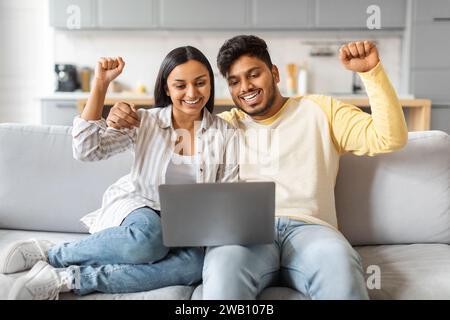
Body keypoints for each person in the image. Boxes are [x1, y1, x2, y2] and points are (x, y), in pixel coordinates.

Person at [1, 46, 238, 299]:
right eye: (180, 85)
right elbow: (87, 150)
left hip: (189, 223)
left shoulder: (225, 133)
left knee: (192, 265)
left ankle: (70, 278)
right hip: (142, 205)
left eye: (200, 83)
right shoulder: (144, 121)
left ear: (210, 85)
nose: (192, 93)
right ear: (167, 88)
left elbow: (226, 195)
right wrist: (101, 85)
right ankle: (52, 254)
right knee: (150, 237)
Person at [200, 35, 408, 300]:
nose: (245, 87)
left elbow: (389, 138)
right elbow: (170, 150)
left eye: (254, 74)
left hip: (312, 230)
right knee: (223, 267)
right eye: (234, 81)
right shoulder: (224, 126)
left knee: (340, 266)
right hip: (246, 233)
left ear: (274, 74)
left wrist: (371, 73)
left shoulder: (321, 110)